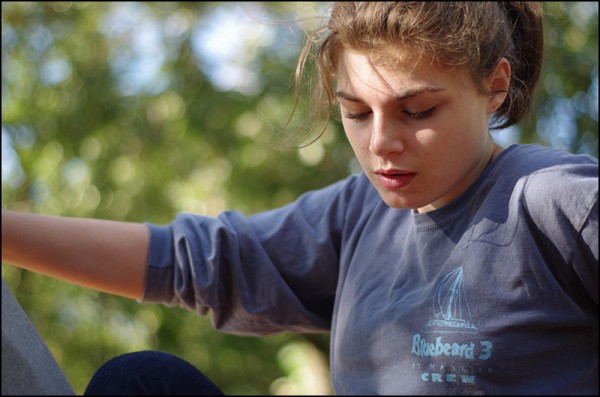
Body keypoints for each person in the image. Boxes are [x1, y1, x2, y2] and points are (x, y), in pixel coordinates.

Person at [2, 1, 598, 395]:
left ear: (494, 86)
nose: (382, 142)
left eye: (418, 111)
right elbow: (192, 261)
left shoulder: (554, 201)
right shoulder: (356, 216)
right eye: (356, 113)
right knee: (141, 382)